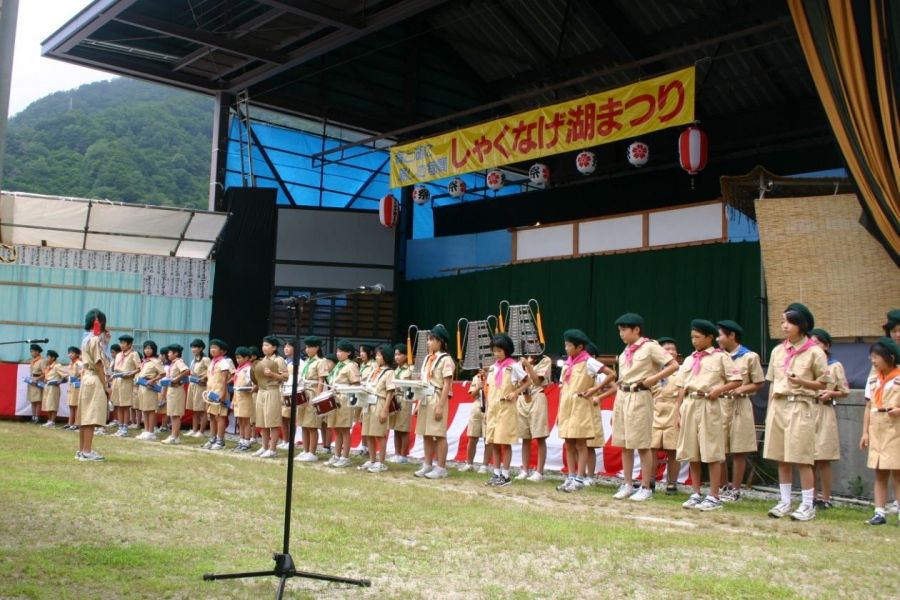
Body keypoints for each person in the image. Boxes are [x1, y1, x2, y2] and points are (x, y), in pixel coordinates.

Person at [764, 303, 831, 521]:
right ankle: (784, 501)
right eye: (782, 321)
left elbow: (824, 383)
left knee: (802, 457)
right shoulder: (777, 350)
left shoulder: (815, 352)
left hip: (801, 405)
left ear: (801, 325)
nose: (784, 326)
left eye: (789, 322)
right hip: (779, 405)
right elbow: (773, 383)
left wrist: (802, 381)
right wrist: (769, 410)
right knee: (781, 456)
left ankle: (807, 504)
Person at [675, 320, 742, 511]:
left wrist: (719, 390)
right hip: (689, 404)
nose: (694, 341)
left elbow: (736, 380)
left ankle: (714, 495)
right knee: (692, 451)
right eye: (692, 337)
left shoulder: (721, 357)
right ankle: (696, 493)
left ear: (709, 337)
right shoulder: (689, 360)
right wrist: (677, 412)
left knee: (711, 451)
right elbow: (681, 387)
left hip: (708, 404)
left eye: (697, 337)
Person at [611, 314, 679, 501]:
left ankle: (646, 486)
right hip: (623, 395)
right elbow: (622, 377)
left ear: (636, 330)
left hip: (640, 395)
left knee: (642, 444)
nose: (621, 334)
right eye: (620, 330)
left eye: (624, 329)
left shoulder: (650, 347)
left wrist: (653, 379)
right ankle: (627, 484)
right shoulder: (626, 351)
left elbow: (673, 365)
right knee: (624, 443)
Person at [557, 330, 616, 493]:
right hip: (567, 407)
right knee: (568, 443)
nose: (566, 348)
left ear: (580, 347)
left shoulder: (589, 362)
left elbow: (612, 374)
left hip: (581, 406)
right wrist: (558, 413)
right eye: (565, 344)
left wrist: (594, 390)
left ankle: (580, 478)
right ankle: (570, 476)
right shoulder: (568, 363)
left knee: (581, 444)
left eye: (569, 345)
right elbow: (563, 389)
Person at [715, 320, 765, 502]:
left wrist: (742, 389)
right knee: (718, 448)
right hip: (720, 405)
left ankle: (735, 489)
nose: (718, 339)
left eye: (720, 335)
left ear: (732, 336)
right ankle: (721, 486)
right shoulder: (717, 356)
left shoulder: (749, 357)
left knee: (739, 449)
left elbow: (759, 382)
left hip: (740, 405)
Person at [860, 337, 900, 525]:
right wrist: (865, 432)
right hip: (877, 428)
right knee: (879, 471)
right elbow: (868, 406)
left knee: (898, 472)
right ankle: (879, 511)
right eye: (872, 357)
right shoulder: (873, 379)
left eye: (877, 357)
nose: (873, 361)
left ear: (890, 357)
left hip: (896, 429)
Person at [809, 328, 849, 508]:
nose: (814, 346)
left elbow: (844, 391)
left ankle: (826, 498)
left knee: (823, 458)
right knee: (807, 457)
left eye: (817, 342)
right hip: (807, 410)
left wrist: (830, 393)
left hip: (824, 411)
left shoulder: (834, 365)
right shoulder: (806, 364)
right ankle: (811, 496)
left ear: (826, 345)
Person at [484, 334, 528, 487]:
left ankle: (506, 474)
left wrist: (516, 392)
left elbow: (527, 382)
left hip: (507, 407)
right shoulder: (493, 367)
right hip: (493, 408)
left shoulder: (513, 366)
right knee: (494, 441)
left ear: (506, 350)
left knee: (505, 441)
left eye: (499, 351)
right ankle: (496, 472)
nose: (496, 354)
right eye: (494, 351)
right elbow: (489, 389)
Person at [414, 324, 456, 480]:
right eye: (428, 339)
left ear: (440, 342)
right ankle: (428, 464)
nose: (428, 342)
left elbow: (446, 384)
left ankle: (441, 467)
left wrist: (440, 405)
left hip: (437, 396)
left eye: (432, 339)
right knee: (425, 433)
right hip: (425, 397)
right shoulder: (427, 358)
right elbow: (424, 380)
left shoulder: (446, 359)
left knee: (438, 434)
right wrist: (418, 403)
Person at [77, 309, 111, 461]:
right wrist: (106, 386)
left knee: (85, 416)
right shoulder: (95, 340)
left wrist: (105, 341)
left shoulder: (86, 338)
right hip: (94, 377)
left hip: (86, 378)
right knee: (91, 416)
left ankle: (82, 450)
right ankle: (87, 451)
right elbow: (99, 364)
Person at [650, 337, 681, 495]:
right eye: (666, 349)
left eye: (673, 349)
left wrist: (680, 414)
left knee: (672, 449)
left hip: (673, 409)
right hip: (655, 409)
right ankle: (650, 481)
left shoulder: (682, 371)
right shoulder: (653, 371)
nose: (670, 352)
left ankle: (672, 483)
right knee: (652, 448)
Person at [517, 352, 552, 482]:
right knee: (525, 437)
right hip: (523, 397)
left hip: (537, 395)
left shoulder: (544, 359)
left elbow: (537, 381)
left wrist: (528, 366)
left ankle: (539, 471)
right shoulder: (521, 358)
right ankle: (525, 470)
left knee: (540, 436)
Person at [360, 344, 396, 472]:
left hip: (379, 402)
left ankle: (381, 462)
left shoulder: (389, 372)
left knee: (379, 434)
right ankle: (372, 459)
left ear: (386, 357)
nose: (376, 357)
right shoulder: (374, 370)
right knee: (368, 433)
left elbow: (390, 392)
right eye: (376, 355)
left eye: (379, 355)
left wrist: (385, 409)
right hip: (368, 403)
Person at [326, 339, 361, 468]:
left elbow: (355, 383)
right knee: (336, 428)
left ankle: (345, 456)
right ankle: (337, 455)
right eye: (338, 350)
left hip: (345, 398)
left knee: (344, 429)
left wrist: (351, 398)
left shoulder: (351, 365)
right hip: (334, 396)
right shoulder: (338, 366)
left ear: (349, 353)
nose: (338, 353)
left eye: (341, 351)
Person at [253, 336, 288, 458]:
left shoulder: (279, 360)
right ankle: (264, 447)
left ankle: (273, 449)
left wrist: (272, 374)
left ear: (274, 347)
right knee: (262, 421)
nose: (264, 348)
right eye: (263, 345)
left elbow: (285, 377)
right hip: (261, 391)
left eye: (267, 345)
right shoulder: (262, 360)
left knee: (272, 421)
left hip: (273, 391)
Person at [295, 336, 328, 462]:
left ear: (317, 348)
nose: (308, 349)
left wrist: (318, 398)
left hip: (313, 392)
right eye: (307, 347)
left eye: (310, 347)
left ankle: (312, 452)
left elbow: (321, 380)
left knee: (312, 424)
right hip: (303, 392)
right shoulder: (306, 362)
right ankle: (305, 450)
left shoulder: (320, 361)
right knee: (303, 424)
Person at [203, 339, 235, 451]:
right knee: (211, 416)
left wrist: (222, 393)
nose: (212, 350)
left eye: (215, 348)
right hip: (210, 393)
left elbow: (227, 378)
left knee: (220, 417)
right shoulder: (212, 362)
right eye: (211, 347)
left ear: (222, 351)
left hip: (220, 394)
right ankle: (212, 438)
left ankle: (220, 440)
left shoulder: (224, 362)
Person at [110, 335, 141, 437]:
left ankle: (125, 428)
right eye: (121, 343)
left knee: (125, 406)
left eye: (124, 343)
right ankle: (120, 427)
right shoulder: (119, 355)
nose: (122, 345)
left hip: (126, 382)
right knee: (118, 405)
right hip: (117, 381)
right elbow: (116, 368)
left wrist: (130, 373)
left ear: (130, 344)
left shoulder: (134, 354)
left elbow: (139, 368)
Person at [387, 343, 413, 464]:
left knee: (403, 429)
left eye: (399, 354)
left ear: (406, 355)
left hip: (405, 399)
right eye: (395, 354)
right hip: (395, 398)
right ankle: (397, 453)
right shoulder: (396, 370)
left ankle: (404, 455)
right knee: (396, 428)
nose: (396, 357)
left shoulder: (410, 369)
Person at [135, 341, 165, 441]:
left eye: (149, 348)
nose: (147, 350)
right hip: (142, 386)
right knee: (144, 409)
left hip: (150, 386)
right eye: (145, 348)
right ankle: (146, 430)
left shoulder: (156, 361)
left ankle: (151, 431)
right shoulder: (144, 361)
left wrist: (153, 380)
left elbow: (162, 373)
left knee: (151, 409)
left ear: (154, 349)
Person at [459, 368, 489, 473]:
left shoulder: (494, 376)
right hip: (477, 406)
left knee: (487, 439)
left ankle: (484, 465)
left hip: (489, 407)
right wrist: (479, 387)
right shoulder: (476, 378)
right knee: (472, 437)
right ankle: (469, 463)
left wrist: (487, 381)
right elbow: (472, 394)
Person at [161, 345, 190, 445]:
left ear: (176, 353)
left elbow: (186, 371)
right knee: (172, 414)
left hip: (177, 390)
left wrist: (176, 379)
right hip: (171, 390)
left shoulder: (179, 362)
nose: (168, 354)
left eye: (170, 352)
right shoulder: (173, 363)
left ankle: (174, 436)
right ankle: (174, 436)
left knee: (176, 415)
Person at [353, 344, 377, 456]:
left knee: (367, 422)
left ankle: (368, 447)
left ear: (370, 352)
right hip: (360, 395)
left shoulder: (374, 365)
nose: (361, 354)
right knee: (361, 422)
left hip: (368, 396)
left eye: (363, 351)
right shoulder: (362, 364)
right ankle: (363, 446)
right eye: (360, 351)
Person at [278, 340, 301, 451]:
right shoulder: (285, 361)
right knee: (283, 418)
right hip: (283, 390)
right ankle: (285, 440)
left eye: (288, 346)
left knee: (291, 418)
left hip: (291, 391)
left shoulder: (299, 362)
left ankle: (291, 441)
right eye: (285, 347)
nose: (286, 349)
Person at [186, 339, 211, 437]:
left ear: (201, 348)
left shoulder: (206, 359)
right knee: (194, 409)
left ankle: (201, 431)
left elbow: (211, 371)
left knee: (201, 409)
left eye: (195, 347)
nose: (193, 349)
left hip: (201, 386)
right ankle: (194, 429)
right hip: (193, 385)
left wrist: (203, 378)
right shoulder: (193, 360)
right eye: (192, 347)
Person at [38, 350, 66, 427]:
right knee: (47, 404)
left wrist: (60, 381)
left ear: (53, 358)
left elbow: (66, 375)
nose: (47, 359)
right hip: (47, 386)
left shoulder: (57, 366)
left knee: (53, 404)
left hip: (53, 387)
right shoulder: (48, 367)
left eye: (48, 357)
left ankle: (52, 421)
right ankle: (49, 420)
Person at [64, 346, 83, 431]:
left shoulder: (79, 363)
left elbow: (83, 374)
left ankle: (76, 423)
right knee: (71, 405)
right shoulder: (71, 363)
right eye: (69, 353)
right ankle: (70, 422)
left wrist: (78, 378)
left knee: (76, 405)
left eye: (72, 353)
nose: (70, 355)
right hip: (71, 386)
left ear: (77, 354)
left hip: (77, 386)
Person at [25, 343, 45, 424]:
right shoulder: (33, 361)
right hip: (31, 381)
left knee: (38, 400)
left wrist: (37, 379)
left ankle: (37, 418)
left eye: (32, 351)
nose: (31, 353)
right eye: (30, 351)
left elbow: (45, 373)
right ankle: (33, 417)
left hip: (38, 382)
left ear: (37, 352)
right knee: (32, 400)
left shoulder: (42, 361)